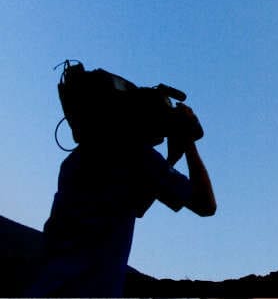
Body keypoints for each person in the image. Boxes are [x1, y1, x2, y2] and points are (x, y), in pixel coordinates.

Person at [25, 102, 216, 297]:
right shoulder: (137, 155)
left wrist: (171, 158)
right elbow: (205, 204)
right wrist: (188, 142)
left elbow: (137, 205)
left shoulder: (77, 158)